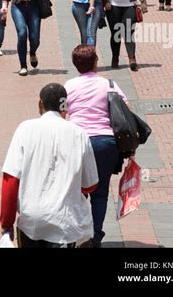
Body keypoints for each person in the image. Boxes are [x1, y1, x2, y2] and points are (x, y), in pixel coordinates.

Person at [0, 83, 98, 247]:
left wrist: (7, 222)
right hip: (65, 223)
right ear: (64, 106)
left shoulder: (25, 129)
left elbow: (10, 180)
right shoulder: (79, 134)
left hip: (31, 221)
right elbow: (90, 185)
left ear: (40, 104)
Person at [65, 45, 126, 247]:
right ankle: (95, 237)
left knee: (77, 192)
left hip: (77, 142)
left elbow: (62, 112)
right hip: (105, 143)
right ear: (95, 62)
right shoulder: (109, 84)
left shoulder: (69, 85)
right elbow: (124, 107)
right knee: (100, 193)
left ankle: (77, 235)